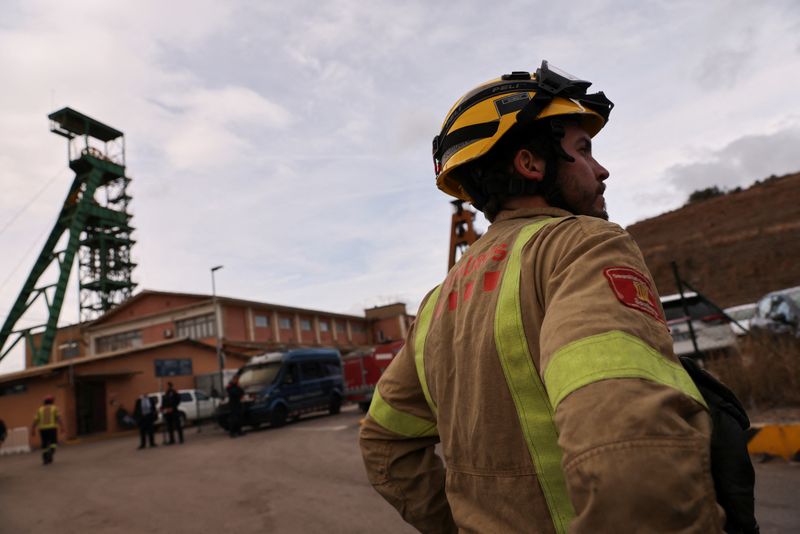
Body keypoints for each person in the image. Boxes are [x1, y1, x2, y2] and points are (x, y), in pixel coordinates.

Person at [359, 61, 756, 532]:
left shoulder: (434, 307)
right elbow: (629, 457)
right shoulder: (583, 245)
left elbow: (384, 443)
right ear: (530, 164)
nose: (602, 169)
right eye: (583, 149)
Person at [31, 395, 65, 465]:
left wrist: (33, 429)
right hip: (52, 428)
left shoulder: (40, 409)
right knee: (54, 443)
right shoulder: (54, 408)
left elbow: (35, 420)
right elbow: (58, 418)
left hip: (42, 429)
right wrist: (62, 427)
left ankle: (45, 459)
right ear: (52, 401)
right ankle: (51, 453)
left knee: (44, 443)